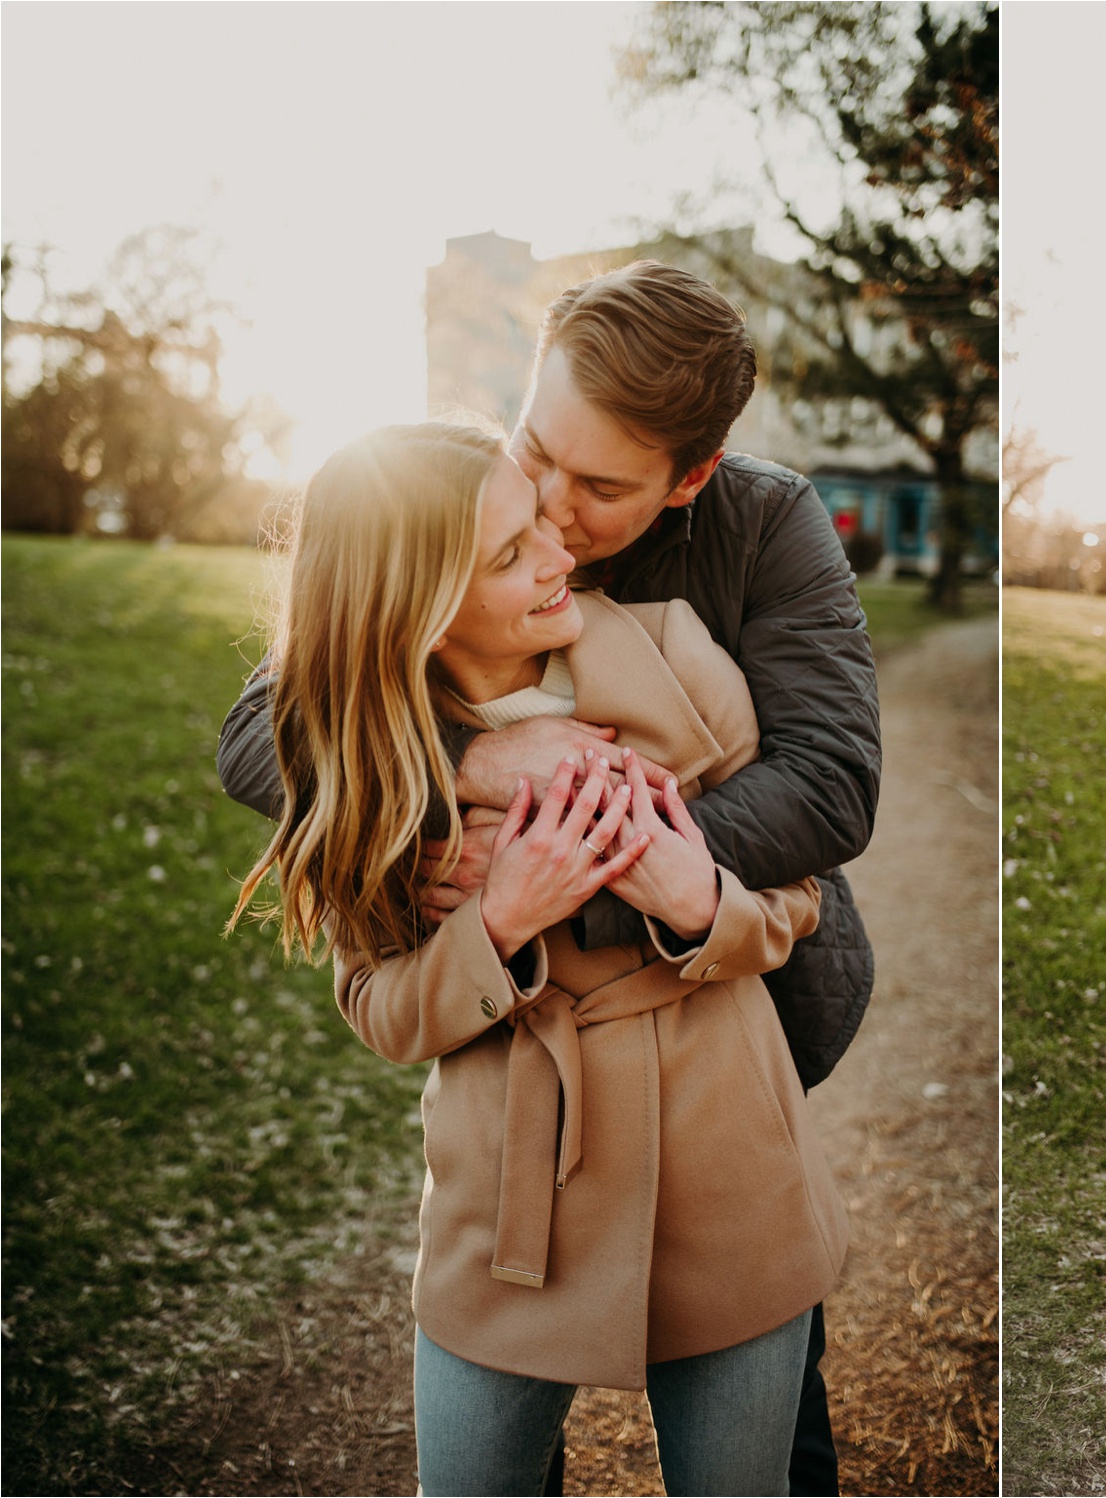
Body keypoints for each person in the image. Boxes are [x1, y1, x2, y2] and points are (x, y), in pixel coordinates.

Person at [218, 261, 874, 1492]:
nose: (555, 515)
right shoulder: (446, 500)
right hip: (517, 1094)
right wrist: (468, 759)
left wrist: (592, 871)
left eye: (601, 489)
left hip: (716, 1036)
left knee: (768, 1421)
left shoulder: (759, 532)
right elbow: (276, 723)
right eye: (536, 457)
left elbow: (831, 788)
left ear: (690, 480)